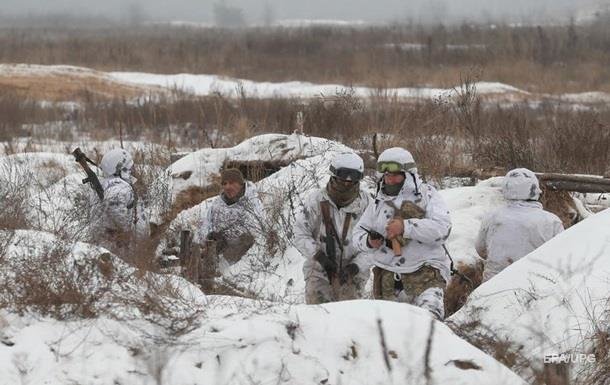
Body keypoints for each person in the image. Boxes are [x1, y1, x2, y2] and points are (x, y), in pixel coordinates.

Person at [352, 147, 451, 320]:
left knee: (430, 330)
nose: (390, 179)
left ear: (408, 174)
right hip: (387, 280)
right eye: (387, 175)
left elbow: (442, 229)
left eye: (396, 174)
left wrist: (406, 227)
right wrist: (368, 241)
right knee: (391, 336)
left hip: (425, 276)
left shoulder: (428, 195)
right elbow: (357, 234)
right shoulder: (378, 201)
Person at [294, 152, 372, 304]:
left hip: (353, 274)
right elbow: (300, 234)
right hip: (319, 270)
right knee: (318, 316)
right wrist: (320, 257)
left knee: (349, 319)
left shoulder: (368, 204)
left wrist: (355, 267)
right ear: (334, 176)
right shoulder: (316, 200)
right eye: (343, 179)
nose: (347, 184)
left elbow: (374, 246)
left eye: (352, 180)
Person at [475, 168, 564, 281]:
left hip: (492, 285)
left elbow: (480, 249)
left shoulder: (492, 217)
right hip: (533, 288)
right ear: (534, 189)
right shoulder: (552, 221)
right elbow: (561, 258)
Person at [202, 168, 264, 265]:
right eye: (224, 184)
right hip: (217, 258)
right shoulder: (217, 204)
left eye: (231, 183)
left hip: (245, 262)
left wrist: (226, 238)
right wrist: (209, 236)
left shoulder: (252, 202)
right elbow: (205, 227)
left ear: (240, 184)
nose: (227, 187)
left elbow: (256, 230)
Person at [90, 148, 147, 253]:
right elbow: (113, 204)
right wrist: (125, 232)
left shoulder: (106, 183)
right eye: (129, 168)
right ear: (121, 168)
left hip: (107, 245)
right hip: (118, 247)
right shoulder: (119, 186)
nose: (132, 171)